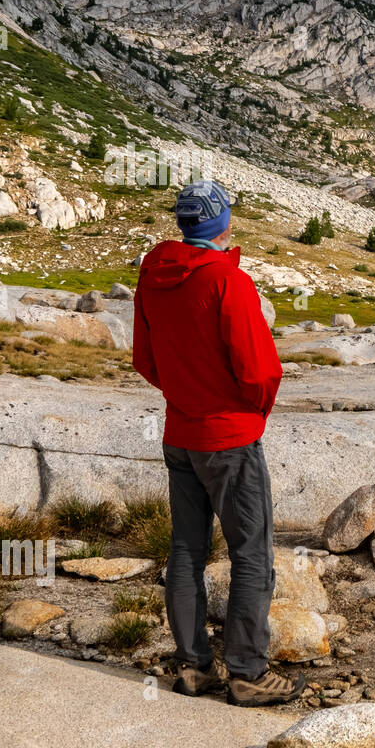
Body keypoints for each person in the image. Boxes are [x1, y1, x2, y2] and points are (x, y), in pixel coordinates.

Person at [132, 180, 304, 707]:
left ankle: (193, 666)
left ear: (184, 223)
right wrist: (249, 416)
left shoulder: (152, 276)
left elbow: (145, 361)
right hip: (228, 437)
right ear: (224, 221)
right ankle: (249, 673)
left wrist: (184, 395)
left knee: (186, 549)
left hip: (179, 434)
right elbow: (260, 371)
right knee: (251, 554)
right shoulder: (229, 282)